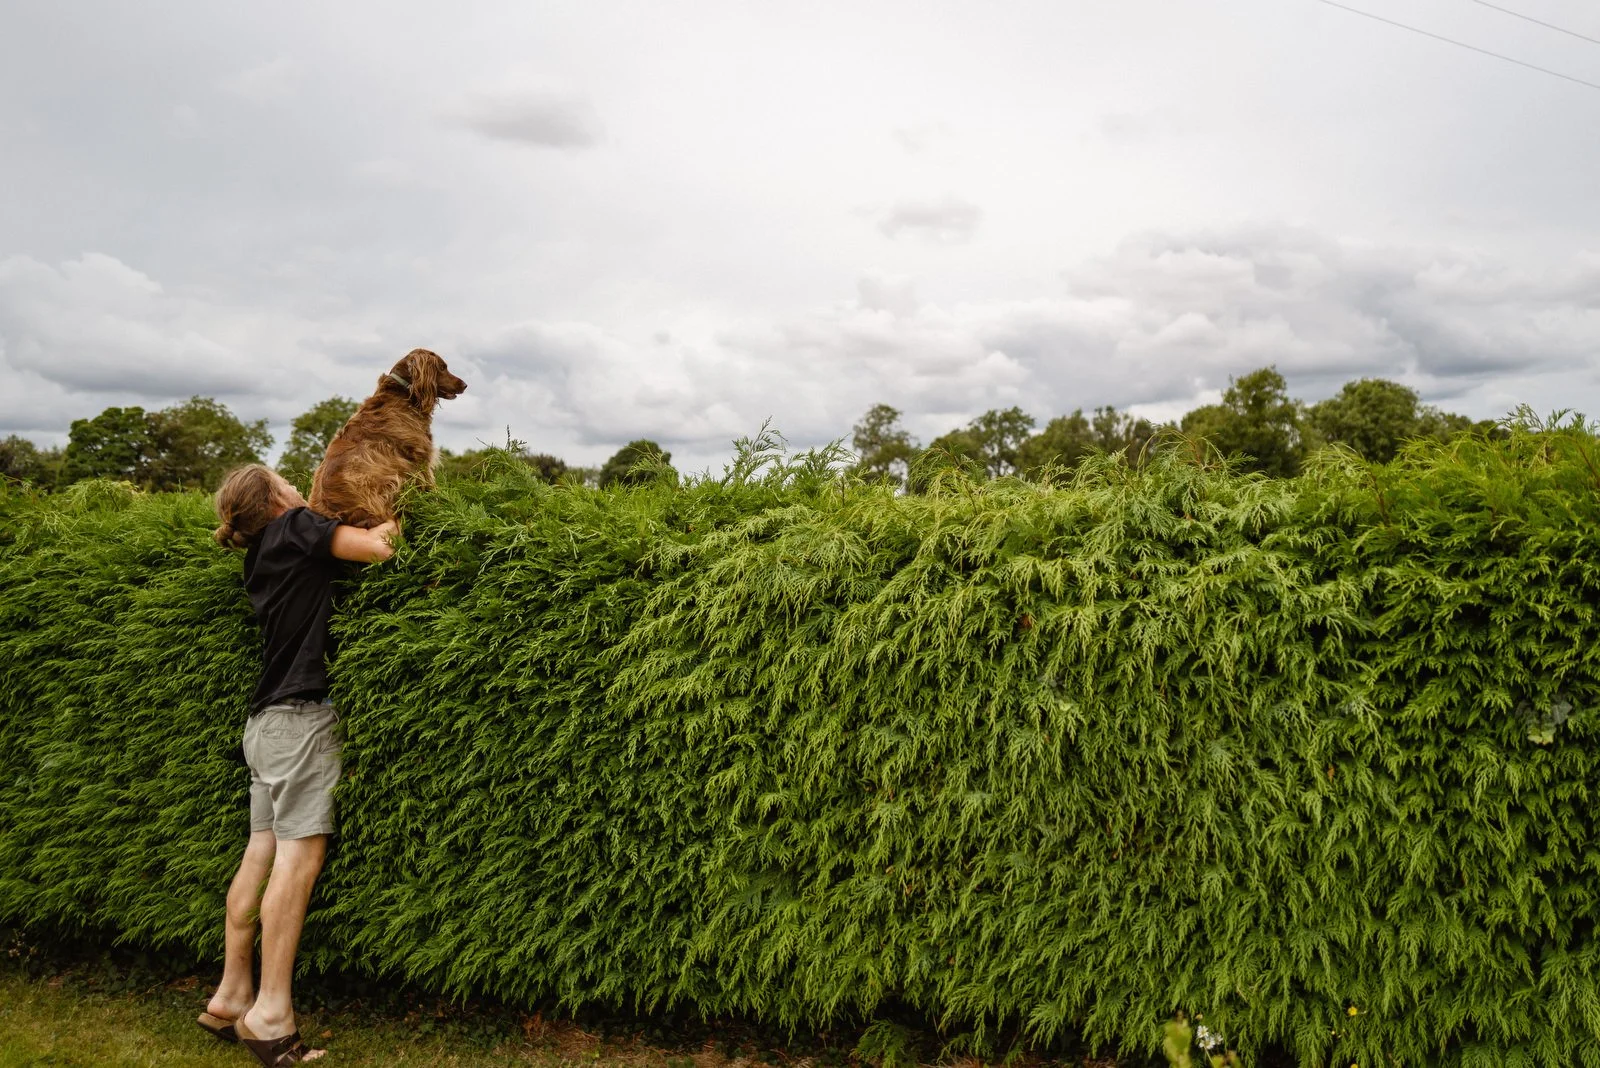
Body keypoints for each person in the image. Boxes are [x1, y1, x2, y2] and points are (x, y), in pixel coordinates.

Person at [196, 463, 398, 1066]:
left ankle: (232, 995)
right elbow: (380, 548)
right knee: (297, 858)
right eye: (289, 479)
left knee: (260, 851)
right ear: (279, 496)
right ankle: (272, 1013)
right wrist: (404, 510)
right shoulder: (298, 527)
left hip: (264, 725)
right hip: (302, 720)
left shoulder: (260, 551)